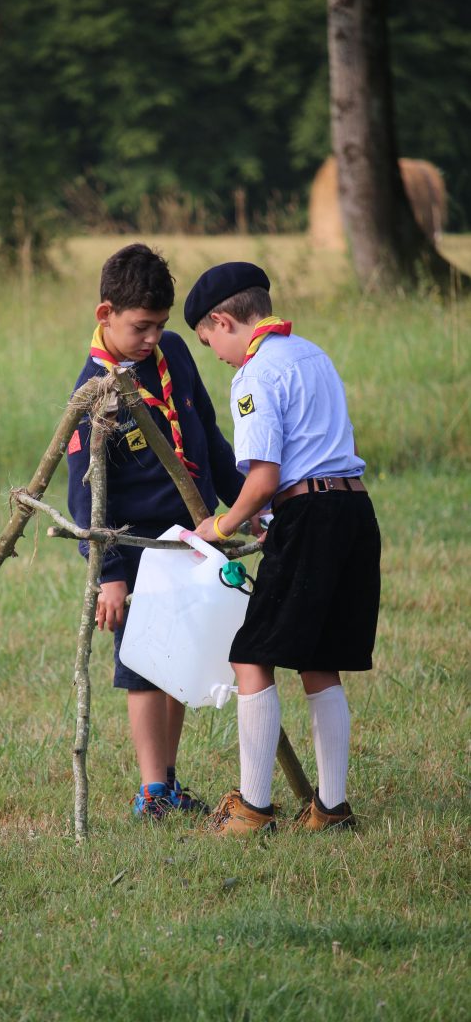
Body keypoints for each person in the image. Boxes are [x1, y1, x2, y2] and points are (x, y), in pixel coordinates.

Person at [183, 262, 381, 833]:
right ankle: (332, 808)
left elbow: (264, 478)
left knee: (251, 653)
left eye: (209, 340)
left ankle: (252, 807)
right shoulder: (313, 353)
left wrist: (220, 528)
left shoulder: (254, 375)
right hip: (351, 511)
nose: (216, 354)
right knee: (321, 660)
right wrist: (277, 519)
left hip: (311, 516)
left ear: (223, 320)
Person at [67, 243, 243, 819]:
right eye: (140, 326)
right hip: (134, 542)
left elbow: (208, 436)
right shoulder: (95, 390)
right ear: (105, 314)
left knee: (182, 658)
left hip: (191, 535)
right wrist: (111, 576)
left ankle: (168, 781)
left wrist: (241, 504)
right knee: (143, 661)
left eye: (159, 325)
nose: (151, 338)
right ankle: (151, 793)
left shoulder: (172, 354)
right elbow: (83, 491)